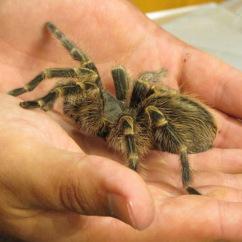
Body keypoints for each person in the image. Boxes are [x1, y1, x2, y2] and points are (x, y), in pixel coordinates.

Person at [1, 0, 242, 241]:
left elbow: (132, 113)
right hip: (150, 115)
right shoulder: (105, 98)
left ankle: (183, 180)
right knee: (92, 75)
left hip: (175, 129)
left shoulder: (125, 119)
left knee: (135, 109)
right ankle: (40, 100)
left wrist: (133, 168)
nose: (90, 90)